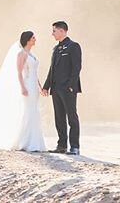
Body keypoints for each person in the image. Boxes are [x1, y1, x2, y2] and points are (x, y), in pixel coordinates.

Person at [42, 21, 82, 155]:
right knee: (59, 118)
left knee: (72, 117)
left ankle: (75, 147)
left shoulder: (73, 46)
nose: (52, 34)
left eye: (54, 31)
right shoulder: (55, 49)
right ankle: (62, 145)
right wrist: (46, 86)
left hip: (68, 89)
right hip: (56, 88)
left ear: (62, 31)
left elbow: (76, 68)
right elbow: (51, 70)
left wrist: (71, 85)